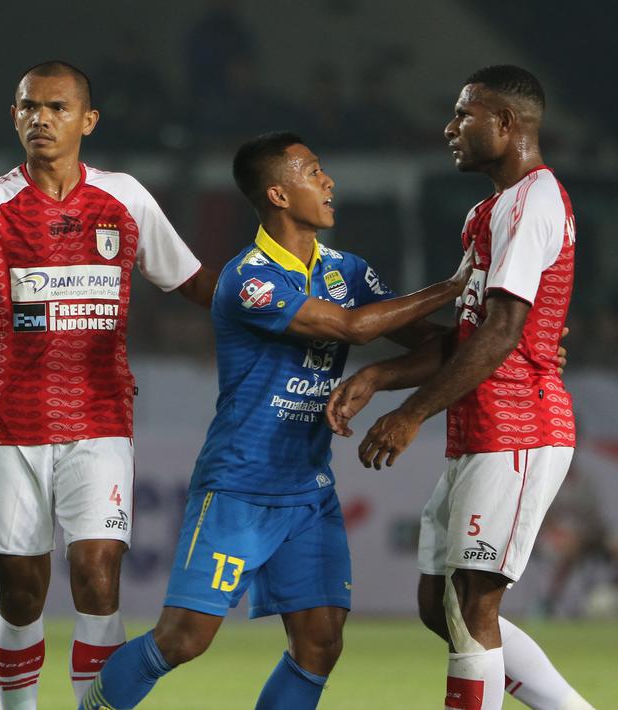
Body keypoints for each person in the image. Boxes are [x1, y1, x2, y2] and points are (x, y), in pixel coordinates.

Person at [79, 131, 476, 710]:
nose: (329, 181)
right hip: (239, 486)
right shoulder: (248, 278)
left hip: (308, 491)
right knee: (183, 639)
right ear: (279, 194)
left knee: (321, 643)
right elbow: (352, 328)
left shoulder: (347, 270)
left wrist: (506, 346)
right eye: (313, 172)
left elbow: (438, 345)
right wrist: (457, 285)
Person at [0, 60, 216, 708]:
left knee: (97, 577)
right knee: (20, 594)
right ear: (13, 116)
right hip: (11, 425)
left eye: (56, 107)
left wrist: (273, 311)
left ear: (87, 120)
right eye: (28, 107)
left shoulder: (124, 197)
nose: (40, 119)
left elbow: (191, 282)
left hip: (99, 420)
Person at [327, 65, 594, 710]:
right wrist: (381, 376)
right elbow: (469, 333)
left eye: (463, 115)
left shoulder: (532, 201)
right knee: (439, 603)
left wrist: (412, 412)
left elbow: (502, 333)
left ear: (504, 122)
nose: (450, 128)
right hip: (477, 430)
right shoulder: (486, 213)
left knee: (475, 601)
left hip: (519, 428)